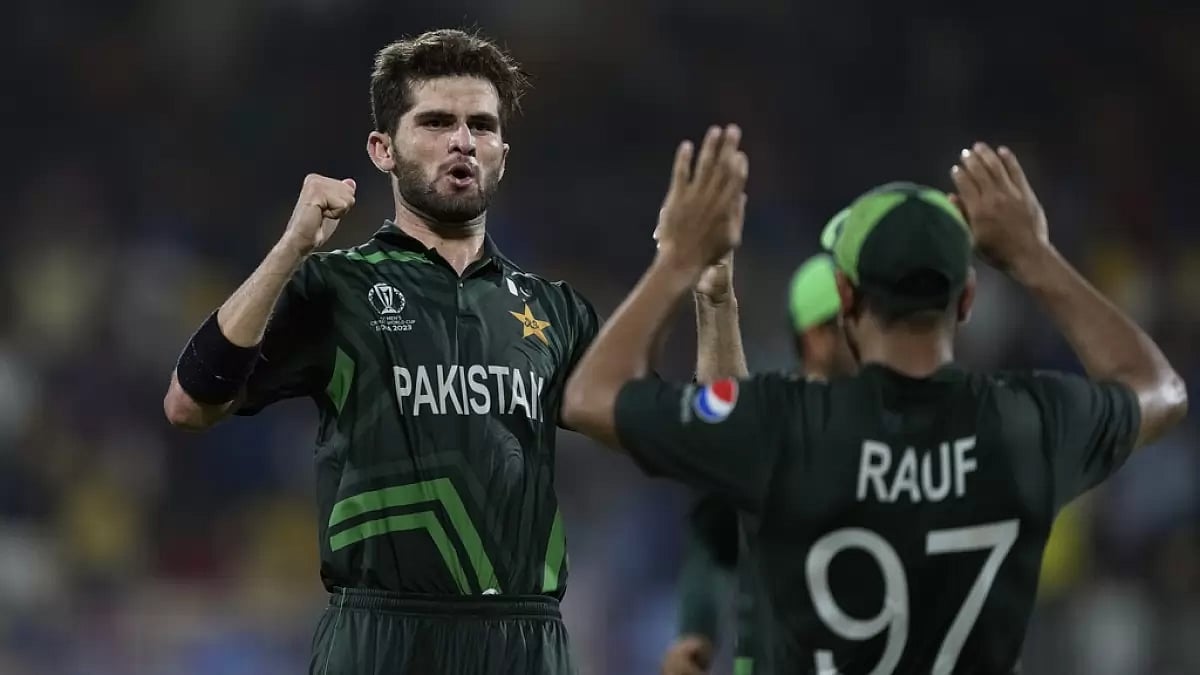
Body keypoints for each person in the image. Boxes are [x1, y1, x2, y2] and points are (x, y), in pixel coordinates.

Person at [161, 28, 740, 675]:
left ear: (502, 153)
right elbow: (190, 401)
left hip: (522, 643)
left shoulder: (553, 312)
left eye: (481, 125)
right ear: (383, 149)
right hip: (379, 637)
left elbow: (713, 443)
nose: (463, 139)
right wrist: (292, 248)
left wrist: (714, 295)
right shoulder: (337, 287)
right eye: (436, 121)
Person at [562, 132, 1187, 674]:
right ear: (966, 300)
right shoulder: (1028, 423)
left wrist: (679, 261)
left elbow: (593, 395)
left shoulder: (788, 428)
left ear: (845, 295)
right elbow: (1156, 388)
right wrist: (1034, 256)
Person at [663, 251, 855, 675]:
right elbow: (714, 533)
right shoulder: (776, 419)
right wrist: (696, 629)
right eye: (851, 322)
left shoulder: (887, 419)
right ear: (818, 337)